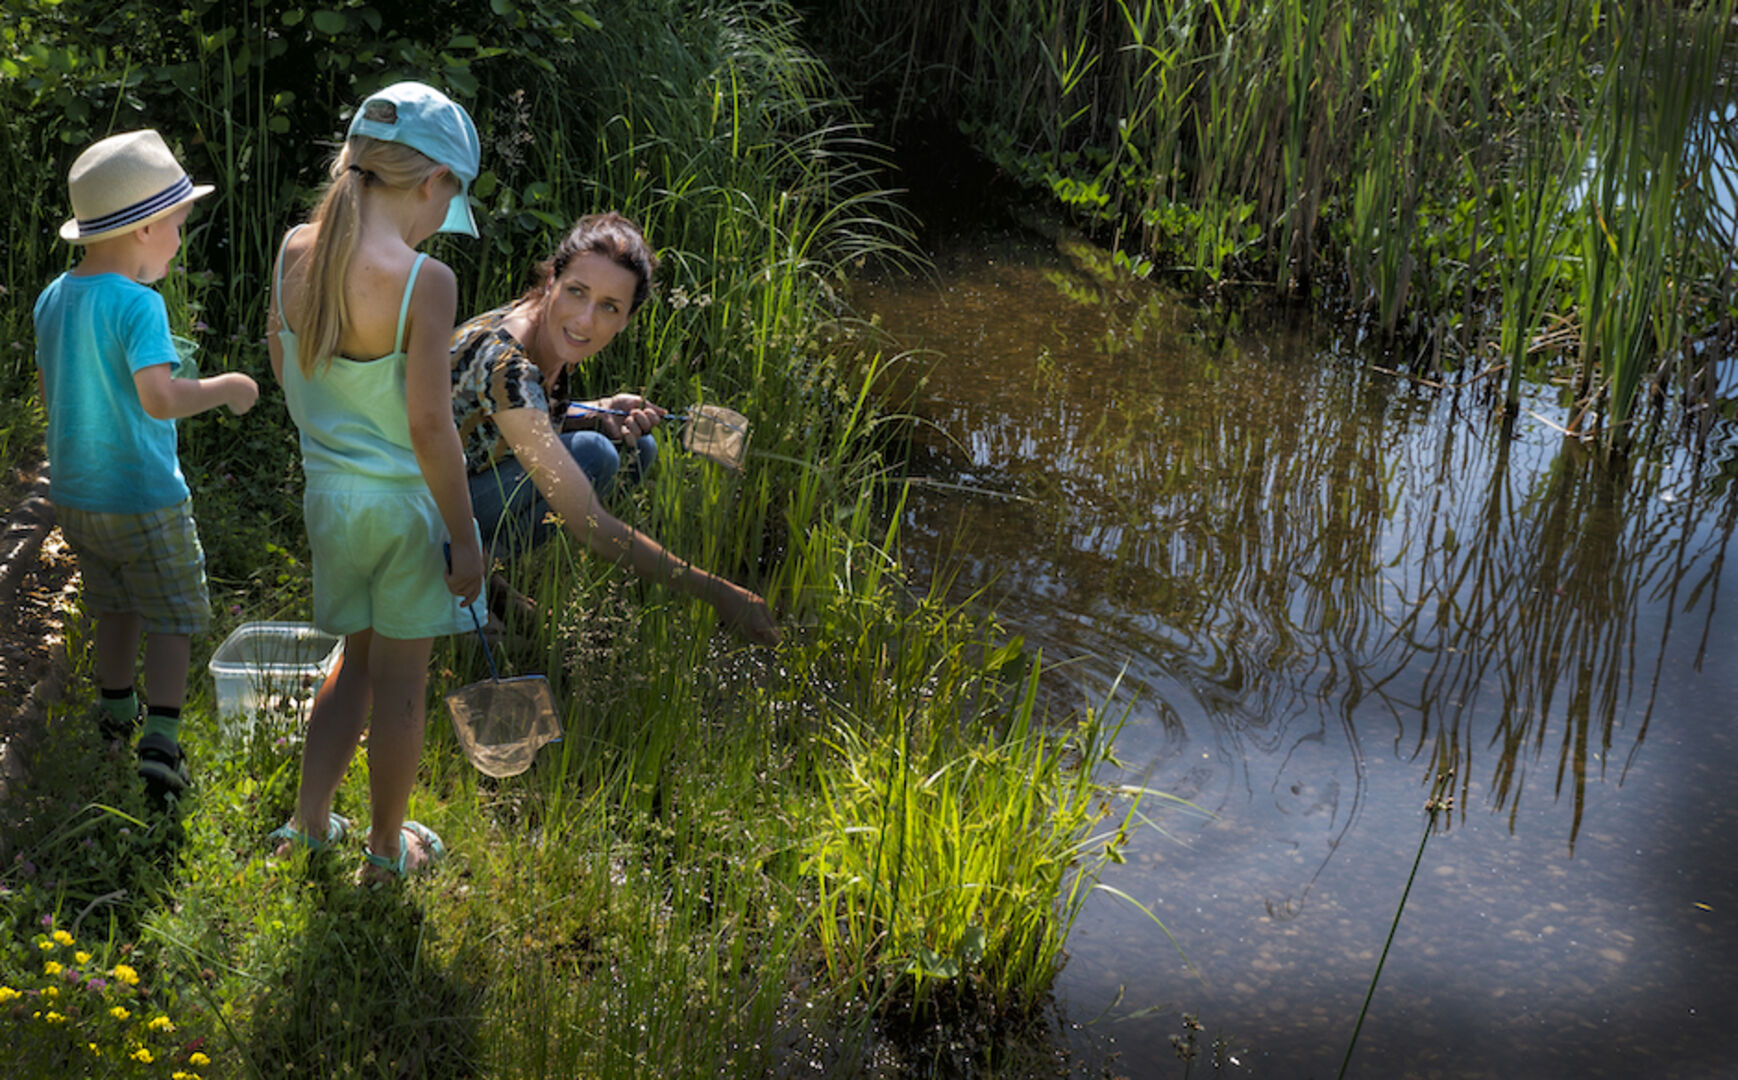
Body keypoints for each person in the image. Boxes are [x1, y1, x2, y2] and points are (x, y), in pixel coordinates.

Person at [266, 82, 486, 881]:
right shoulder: (427, 282)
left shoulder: (298, 246)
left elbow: (282, 364)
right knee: (401, 684)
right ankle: (388, 852)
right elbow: (431, 429)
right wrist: (464, 536)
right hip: (402, 510)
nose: (442, 219)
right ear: (434, 183)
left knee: (350, 663)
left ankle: (309, 823)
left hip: (329, 501)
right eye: (449, 199)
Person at [34, 129, 260, 797]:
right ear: (143, 229)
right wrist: (226, 389)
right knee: (172, 614)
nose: (180, 241)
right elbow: (159, 398)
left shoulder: (54, 298)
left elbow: (52, 394)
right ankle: (161, 741)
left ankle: (113, 716)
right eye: (177, 228)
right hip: (143, 496)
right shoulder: (139, 304)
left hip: (77, 497)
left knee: (113, 605)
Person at [451, 212, 780, 644]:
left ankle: (486, 580)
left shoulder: (540, 326)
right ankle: (454, 594)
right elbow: (588, 523)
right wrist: (718, 593)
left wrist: (600, 411)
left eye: (609, 306)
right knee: (594, 455)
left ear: (627, 318)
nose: (586, 320)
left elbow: (500, 424)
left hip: (459, 488)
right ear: (552, 280)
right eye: (577, 292)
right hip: (415, 513)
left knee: (634, 448)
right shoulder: (506, 363)